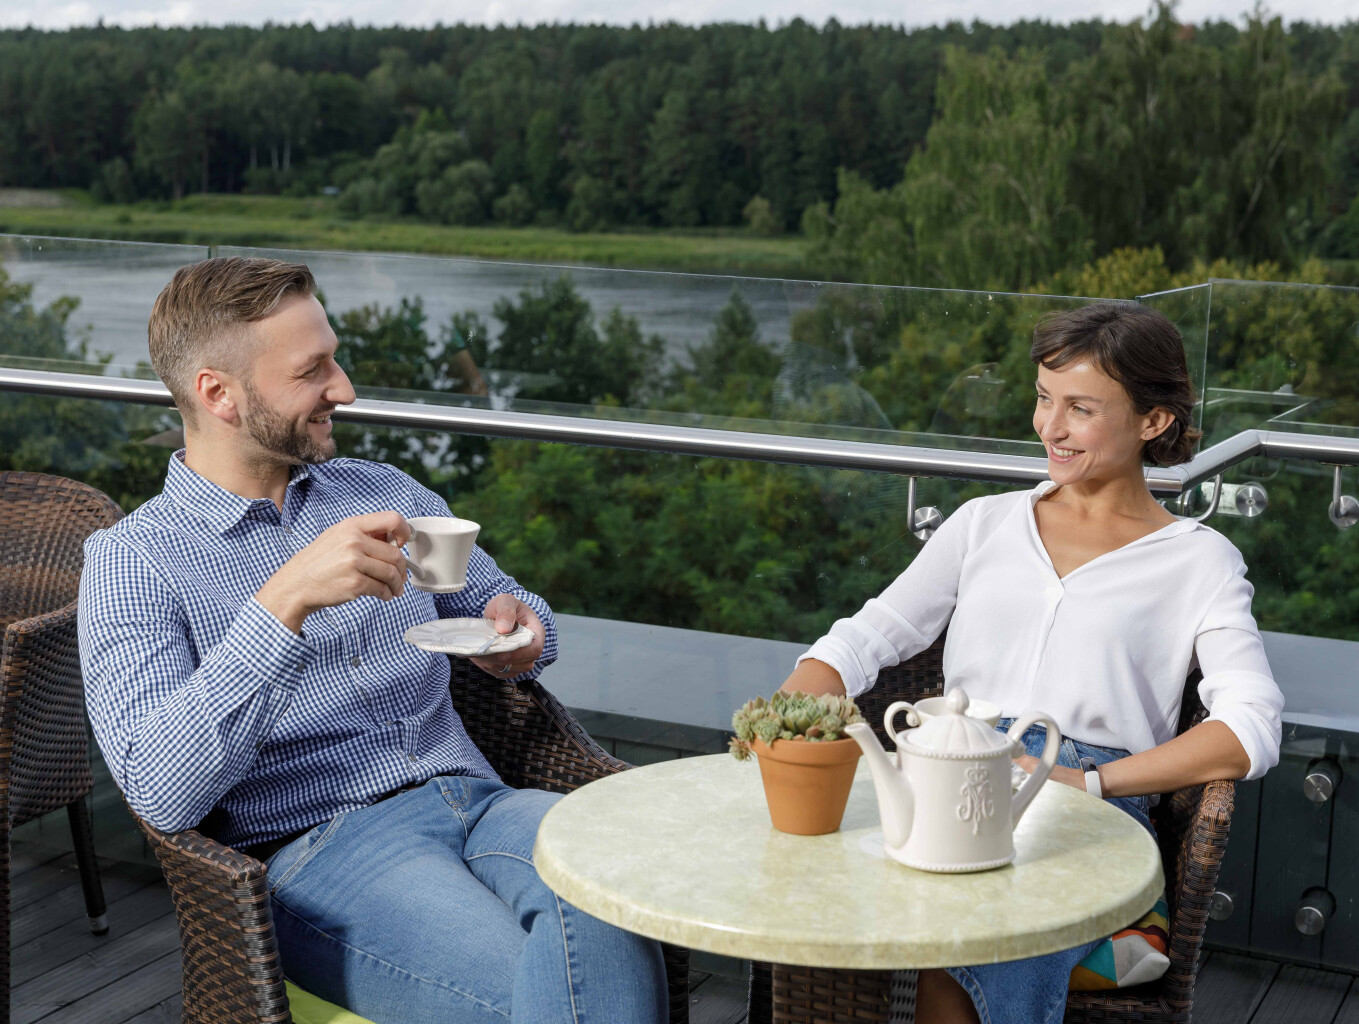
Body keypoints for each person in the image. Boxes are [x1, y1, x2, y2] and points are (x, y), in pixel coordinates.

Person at [78, 257, 668, 1024]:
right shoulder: (135, 562)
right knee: (544, 988)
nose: (345, 389)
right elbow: (159, 789)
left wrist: (521, 633)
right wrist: (282, 602)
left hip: (486, 800)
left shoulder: (381, 492)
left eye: (336, 357)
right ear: (217, 394)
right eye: (312, 370)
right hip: (325, 847)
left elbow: (507, 603)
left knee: (615, 900)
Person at [780, 303, 1284, 1024]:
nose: (1049, 427)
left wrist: (1089, 781)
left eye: (1079, 408)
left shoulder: (1198, 561)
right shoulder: (983, 523)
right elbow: (865, 639)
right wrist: (790, 708)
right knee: (860, 878)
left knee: (974, 914)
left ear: (1152, 421)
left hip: (1083, 802)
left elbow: (1249, 730)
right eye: (1044, 399)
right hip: (946, 768)